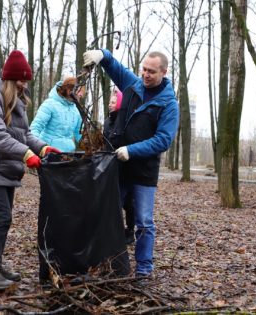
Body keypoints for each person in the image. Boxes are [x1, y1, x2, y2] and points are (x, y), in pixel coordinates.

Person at [0, 50, 61, 291]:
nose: (23, 85)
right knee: (2, 217)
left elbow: (26, 135)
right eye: (21, 80)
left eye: (26, 81)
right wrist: (26, 155)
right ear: (10, 78)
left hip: (5, 170)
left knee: (3, 218)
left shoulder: (17, 100)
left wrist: (42, 149)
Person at [83, 49, 180, 276]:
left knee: (144, 222)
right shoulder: (132, 84)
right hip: (117, 167)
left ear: (163, 72)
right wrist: (102, 55)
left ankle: (144, 270)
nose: (145, 75)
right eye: (144, 69)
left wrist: (132, 150)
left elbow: (163, 140)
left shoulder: (168, 104)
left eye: (151, 71)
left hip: (144, 171)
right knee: (109, 215)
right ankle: (111, 263)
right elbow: (114, 65)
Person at [103, 90, 135, 245]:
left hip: (127, 170)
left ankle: (130, 231)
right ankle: (115, 231)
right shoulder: (107, 122)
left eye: (113, 102)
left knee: (129, 203)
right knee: (115, 202)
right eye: (109, 102)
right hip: (111, 169)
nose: (110, 104)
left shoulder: (127, 122)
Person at [30, 77, 82, 152]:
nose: (81, 94)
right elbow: (35, 128)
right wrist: (38, 149)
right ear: (69, 91)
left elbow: (80, 134)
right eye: (79, 91)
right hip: (49, 154)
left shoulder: (76, 110)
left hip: (69, 155)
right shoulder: (49, 104)